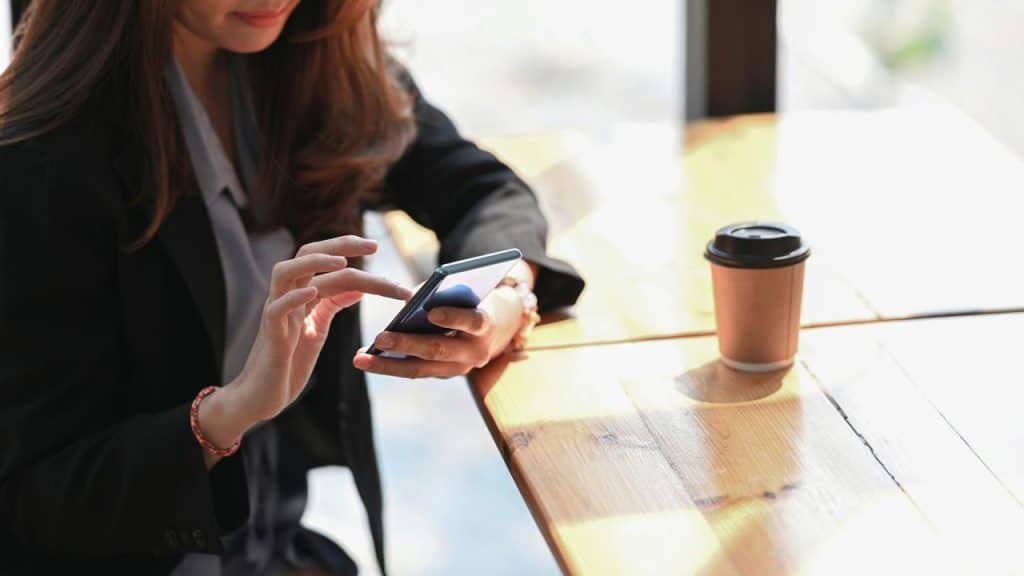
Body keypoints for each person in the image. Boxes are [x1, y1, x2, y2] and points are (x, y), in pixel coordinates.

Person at [0, 1, 584, 574]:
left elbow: (484, 190)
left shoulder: (311, 59)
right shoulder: (40, 157)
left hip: (270, 542)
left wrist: (504, 300)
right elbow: (38, 496)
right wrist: (229, 412)